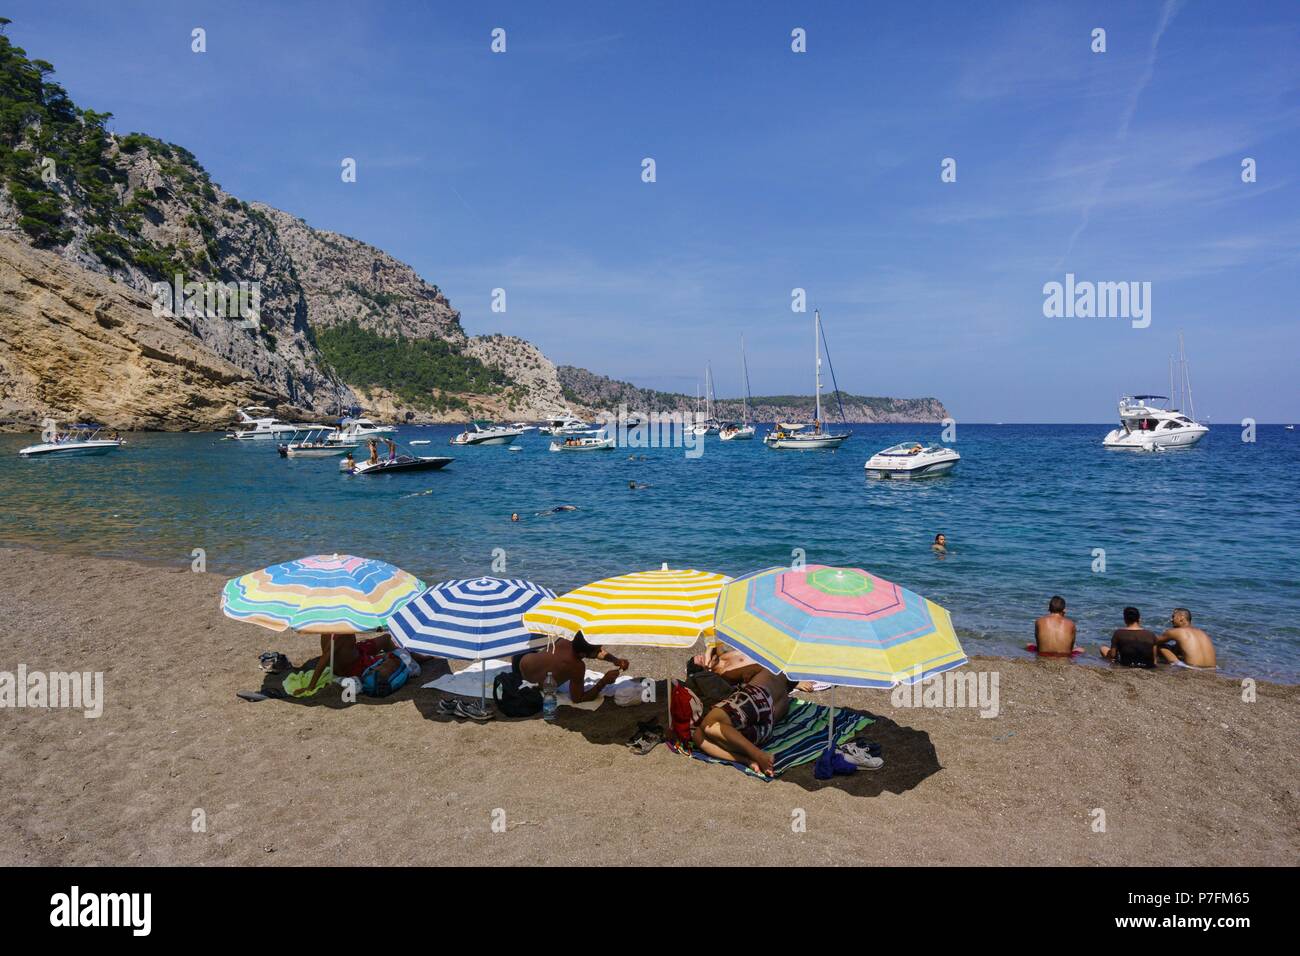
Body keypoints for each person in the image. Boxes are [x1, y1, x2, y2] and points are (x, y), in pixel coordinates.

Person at [693, 662, 797, 777]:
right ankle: (747, 760)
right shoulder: (786, 701)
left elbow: (730, 674)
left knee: (709, 723)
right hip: (766, 726)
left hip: (757, 696)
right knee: (699, 735)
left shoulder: (770, 668)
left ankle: (758, 755)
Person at [510, 634, 628, 704]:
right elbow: (578, 699)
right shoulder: (576, 666)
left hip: (521, 658)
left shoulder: (568, 639)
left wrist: (615, 660)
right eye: (598, 650)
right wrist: (603, 682)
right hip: (523, 677)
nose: (601, 651)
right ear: (582, 654)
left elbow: (594, 652)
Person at [298, 631, 401, 695]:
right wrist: (310, 686)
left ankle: (399, 652)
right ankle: (408, 656)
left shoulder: (328, 626)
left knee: (386, 638)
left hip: (357, 652)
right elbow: (325, 658)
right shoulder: (339, 633)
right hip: (355, 666)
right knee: (395, 658)